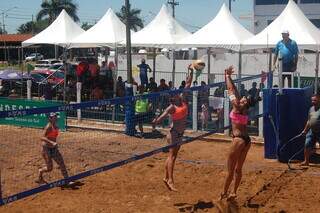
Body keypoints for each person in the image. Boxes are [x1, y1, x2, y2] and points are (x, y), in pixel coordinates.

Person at [152, 64, 194, 192]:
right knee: (172, 157)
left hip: (180, 133)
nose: (175, 94)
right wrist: (156, 121)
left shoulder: (183, 99)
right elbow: (163, 116)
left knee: (173, 156)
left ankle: (166, 178)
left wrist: (191, 70)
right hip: (173, 133)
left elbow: (188, 83)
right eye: (173, 94)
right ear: (172, 97)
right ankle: (170, 180)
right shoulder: (172, 107)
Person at [220, 66, 256, 200]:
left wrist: (227, 76)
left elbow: (230, 90)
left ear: (244, 102)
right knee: (238, 169)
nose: (243, 97)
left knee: (230, 171)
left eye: (244, 98)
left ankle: (223, 193)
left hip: (238, 140)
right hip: (247, 141)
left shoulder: (237, 106)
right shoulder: (244, 108)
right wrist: (229, 77)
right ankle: (234, 192)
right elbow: (234, 90)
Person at [37, 112, 72, 185]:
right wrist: (52, 142)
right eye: (54, 117)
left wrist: (53, 144)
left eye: (56, 116)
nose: (56, 118)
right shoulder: (48, 127)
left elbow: (53, 137)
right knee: (49, 168)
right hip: (46, 149)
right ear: (50, 119)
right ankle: (40, 171)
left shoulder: (56, 125)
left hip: (54, 148)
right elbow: (41, 137)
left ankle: (67, 180)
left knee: (61, 163)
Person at [300, 94, 320, 167]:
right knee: (307, 145)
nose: (313, 101)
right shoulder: (311, 109)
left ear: (319, 100)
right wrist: (305, 130)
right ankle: (306, 161)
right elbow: (309, 121)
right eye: (312, 100)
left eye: (315, 100)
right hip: (311, 131)